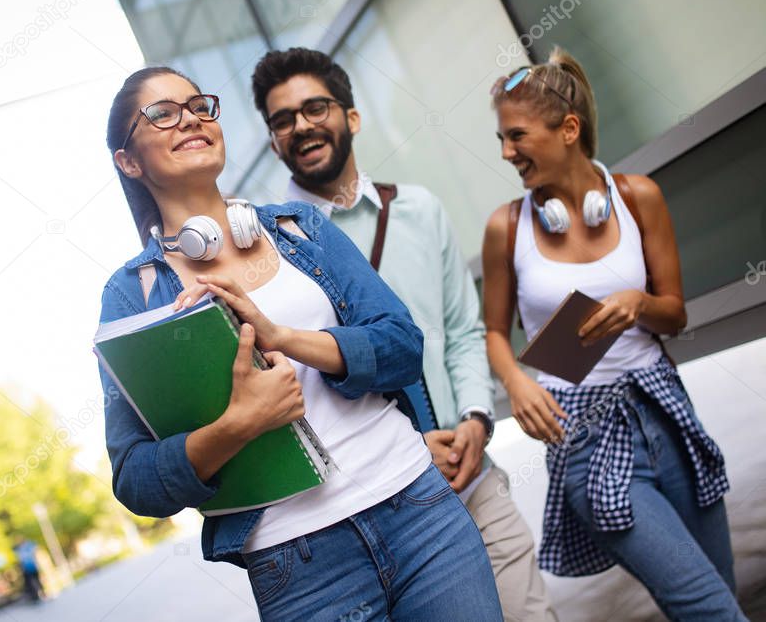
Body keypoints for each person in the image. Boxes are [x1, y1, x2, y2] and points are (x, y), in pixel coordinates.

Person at [98, 66, 502, 620]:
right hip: (299, 563)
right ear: (129, 161)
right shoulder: (132, 295)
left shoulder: (300, 227)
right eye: (162, 113)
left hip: (420, 509)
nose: (190, 118)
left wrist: (283, 336)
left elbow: (402, 345)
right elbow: (137, 480)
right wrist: (239, 424)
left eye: (198, 106)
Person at [252, 46, 557, 621]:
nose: (301, 126)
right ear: (273, 141)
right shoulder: (271, 251)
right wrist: (410, 446)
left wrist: (474, 420)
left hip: (472, 474)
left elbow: (464, 332)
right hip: (381, 499)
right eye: (283, 119)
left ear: (351, 117)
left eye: (315, 107)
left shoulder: (420, 210)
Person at [482, 46, 745, 620]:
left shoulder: (637, 197)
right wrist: (517, 384)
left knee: (721, 592)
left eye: (517, 135)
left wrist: (639, 303)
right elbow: (494, 333)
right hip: (586, 435)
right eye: (501, 138)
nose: (506, 152)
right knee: (708, 608)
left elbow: (675, 314)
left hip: (664, 411)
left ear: (568, 129)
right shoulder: (507, 227)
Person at [12, 534, 43, 602]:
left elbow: (35, 546)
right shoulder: (25, 547)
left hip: (30, 566)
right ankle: (36, 595)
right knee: (33, 581)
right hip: (28, 567)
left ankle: (39, 594)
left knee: (35, 580)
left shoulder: (25, 547)